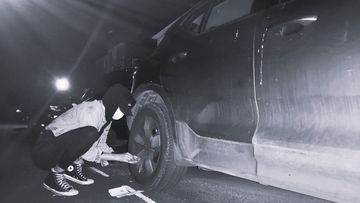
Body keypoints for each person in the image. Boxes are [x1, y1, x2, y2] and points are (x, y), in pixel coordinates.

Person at [31, 84, 139, 196]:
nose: (122, 114)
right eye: (121, 109)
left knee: (105, 136)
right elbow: (87, 151)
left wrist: (113, 154)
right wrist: (117, 157)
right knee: (90, 134)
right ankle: (54, 176)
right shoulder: (91, 111)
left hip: (57, 148)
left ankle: (70, 168)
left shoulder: (107, 116)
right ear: (113, 102)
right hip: (44, 150)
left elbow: (101, 142)